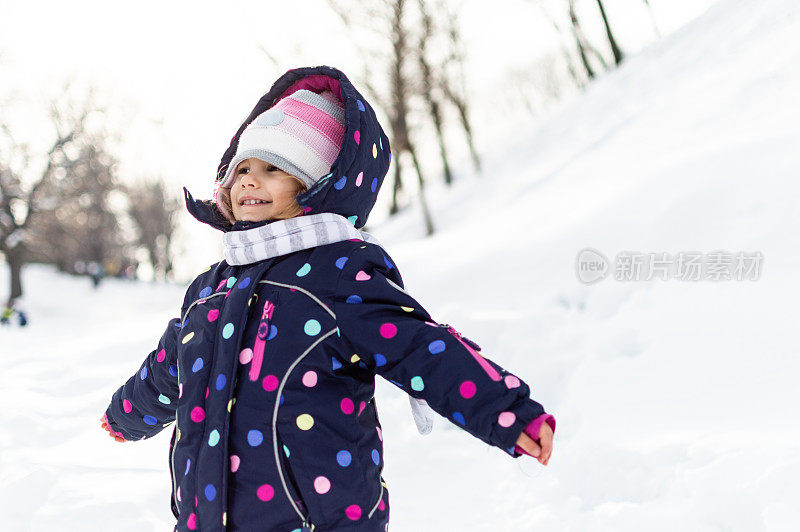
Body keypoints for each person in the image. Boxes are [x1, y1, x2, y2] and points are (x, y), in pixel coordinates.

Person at [100, 65, 555, 532]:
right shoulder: (208, 289)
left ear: (313, 186)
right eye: (242, 169)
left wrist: (505, 411)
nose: (248, 182)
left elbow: (420, 348)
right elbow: (172, 363)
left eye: (273, 169)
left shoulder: (338, 275)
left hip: (319, 521)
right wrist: (126, 414)